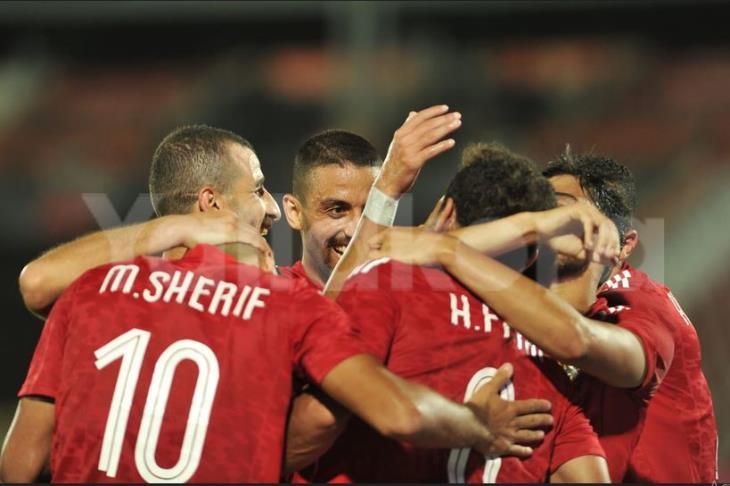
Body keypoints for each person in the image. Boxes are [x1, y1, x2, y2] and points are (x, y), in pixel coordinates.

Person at [0, 128, 553, 483]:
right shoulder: (283, 308)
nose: (267, 208)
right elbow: (398, 409)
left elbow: (19, 465)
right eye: (259, 189)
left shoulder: (95, 293)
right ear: (213, 204)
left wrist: (167, 228)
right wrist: (477, 424)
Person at [298, 144, 610, 483]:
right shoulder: (544, 346)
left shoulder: (385, 285)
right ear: (534, 256)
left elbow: (319, 419)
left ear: (446, 212)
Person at [543, 151, 718, 483]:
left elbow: (576, 342)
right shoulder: (526, 303)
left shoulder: (643, 304)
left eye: (566, 217)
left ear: (624, 246)